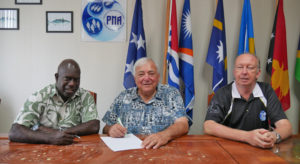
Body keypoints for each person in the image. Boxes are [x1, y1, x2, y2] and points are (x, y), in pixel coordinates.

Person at [204, 53, 292, 148]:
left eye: (250, 68)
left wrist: (274, 136)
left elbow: (285, 126)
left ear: (258, 73)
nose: (244, 72)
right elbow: (208, 126)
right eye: (240, 67)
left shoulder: (266, 91)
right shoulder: (223, 93)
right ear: (234, 72)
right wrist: (247, 137)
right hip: (228, 147)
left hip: (260, 148)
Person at [102, 57, 189, 149]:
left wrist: (164, 135)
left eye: (151, 73)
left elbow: (183, 125)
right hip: (129, 152)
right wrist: (111, 130)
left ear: (158, 77)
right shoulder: (123, 96)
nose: (146, 78)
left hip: (163, 150)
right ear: (135, 78)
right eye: (141, 74)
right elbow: (106, 127)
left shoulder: (171, 94)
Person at [9, 59, 100, 145]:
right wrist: (50, 138)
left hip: (74, 148)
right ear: (57, 77)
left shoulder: (85, 96)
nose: (72, 84)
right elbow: (15, 131)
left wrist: (60, 133)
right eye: (67, 79)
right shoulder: (40, 96)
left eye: (76, 80)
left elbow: (94, 125)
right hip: (42, 151)